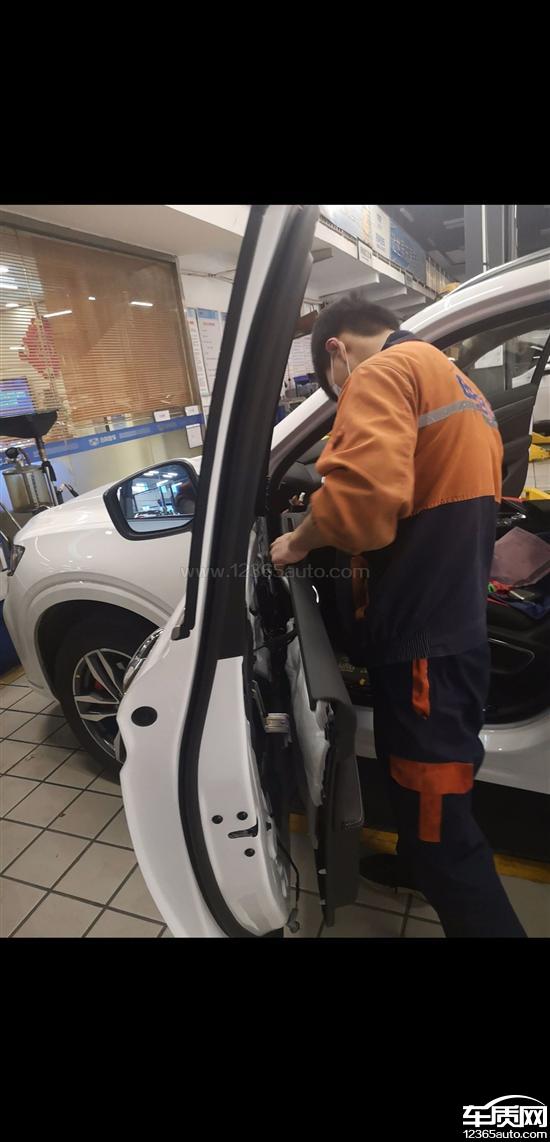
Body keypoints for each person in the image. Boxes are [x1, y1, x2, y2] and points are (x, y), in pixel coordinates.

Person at [270, 293, 526, 938]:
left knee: (445, 831)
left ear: (337, 350)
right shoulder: (459, 383)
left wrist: (298, 540)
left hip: (424, 646)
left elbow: (360, 507)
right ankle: (418, 858)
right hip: (452, 629)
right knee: (423, 780)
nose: (342, 398)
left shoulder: (381, 371)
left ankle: (437, 867)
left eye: (334, 390)